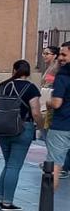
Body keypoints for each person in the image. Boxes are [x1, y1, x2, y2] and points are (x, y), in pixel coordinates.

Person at [0, 60, 42, 211]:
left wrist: (2, 121)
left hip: (3, 129)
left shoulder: (2, 86)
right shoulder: (31, 88)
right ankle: (7, 203)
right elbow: (36, 112)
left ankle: (1, 199)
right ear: (28, 72)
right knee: (14, 166)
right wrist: (40, 126)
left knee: (8, 164)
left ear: (14, 70)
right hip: (23, 129)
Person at [45, 42, 70, 189]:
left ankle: (47, 199)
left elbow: (56, 103)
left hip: (62, 125)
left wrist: (47, 102)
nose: (60, 58)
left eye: (64, 54)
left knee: (53, 166)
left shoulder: (63, 76)